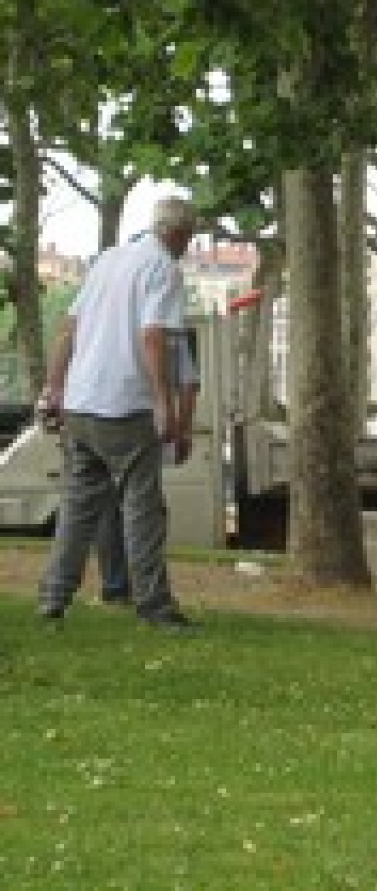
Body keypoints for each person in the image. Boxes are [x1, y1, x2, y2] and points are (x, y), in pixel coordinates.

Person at [36, 196, 200, 630]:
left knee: (77, 507)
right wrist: (163, 404)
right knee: (143, 509)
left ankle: (53, 597)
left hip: (81, 401)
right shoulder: (162, 268)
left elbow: (68, 328)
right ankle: (154, 606)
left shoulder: (107, 261)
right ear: (179, 234)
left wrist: (54, 389)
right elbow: (153, 335)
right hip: (125, 404)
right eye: (189, 238)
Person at [95, 331, 202, 604]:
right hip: (144, 424)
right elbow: (188, 385)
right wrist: (183, 429)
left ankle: (115, 586)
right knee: (145, 509)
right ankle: (149, 591)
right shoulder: (169, 331)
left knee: (109, 508)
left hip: (99, 418)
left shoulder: (104, 328)